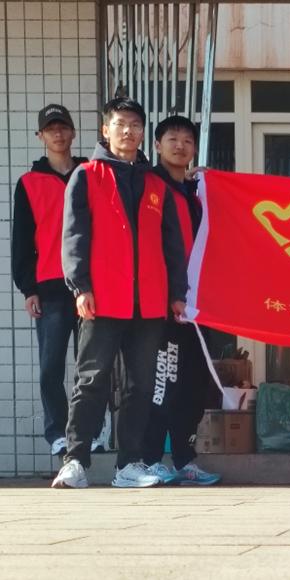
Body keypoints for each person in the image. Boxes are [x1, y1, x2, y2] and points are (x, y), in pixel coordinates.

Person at [51, 97, 188, 489]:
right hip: (102, 299)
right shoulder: (86, 176)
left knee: (141, 386)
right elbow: (74, 236)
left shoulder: (156, 184)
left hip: (149, 303)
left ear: (143, 133)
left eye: (135, 125)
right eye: (121, 124)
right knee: (91, 381)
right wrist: (80, 286)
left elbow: (172, 245)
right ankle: (75, 461)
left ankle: (129, 465)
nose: (129, 131)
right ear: (105, 130)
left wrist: (177, 293)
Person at [12, 104, 111, 456]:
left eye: (63, 127)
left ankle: (93, 433)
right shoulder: (28, 183)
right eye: (50, 128)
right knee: (50, 368)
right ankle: (57, 433)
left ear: (72, 132)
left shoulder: (91, 174)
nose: (57, 133)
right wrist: (28, 288)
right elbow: (22, 240)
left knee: (93, 368)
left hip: (91, 286)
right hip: (50, 287)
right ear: (41, 136)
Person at [142, 115, 220, 486]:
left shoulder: (195, 192)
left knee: (194, 385)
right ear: (157, 145)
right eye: (172, 138)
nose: (180, 145)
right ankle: (150, 459)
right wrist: (171, 294)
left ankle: (185, 458)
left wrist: (211, 186)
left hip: (199, 304)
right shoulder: (148, 186)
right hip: (164, 306)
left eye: (188, 140)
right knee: (164, 383)